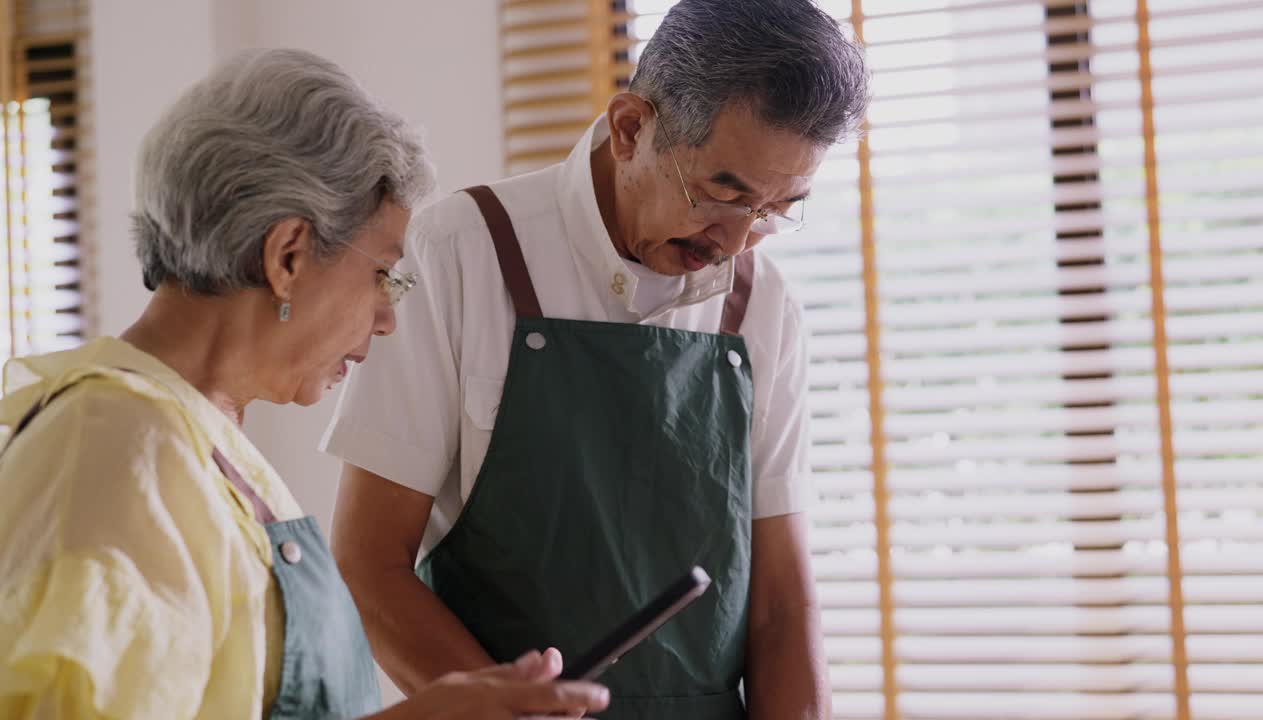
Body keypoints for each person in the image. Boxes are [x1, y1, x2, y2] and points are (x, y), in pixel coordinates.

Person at [0, 48, 608, 720]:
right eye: (384, 274)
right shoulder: (120, 452)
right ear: (288, 255)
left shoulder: (192, 437)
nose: (385, 320)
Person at [323, 1, 870, 718]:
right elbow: (370, 566)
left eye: (774, 210)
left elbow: (779, 606)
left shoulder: (763, 304)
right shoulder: (462, 252)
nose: (736, 241)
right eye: (721, 192)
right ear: (631, 127)